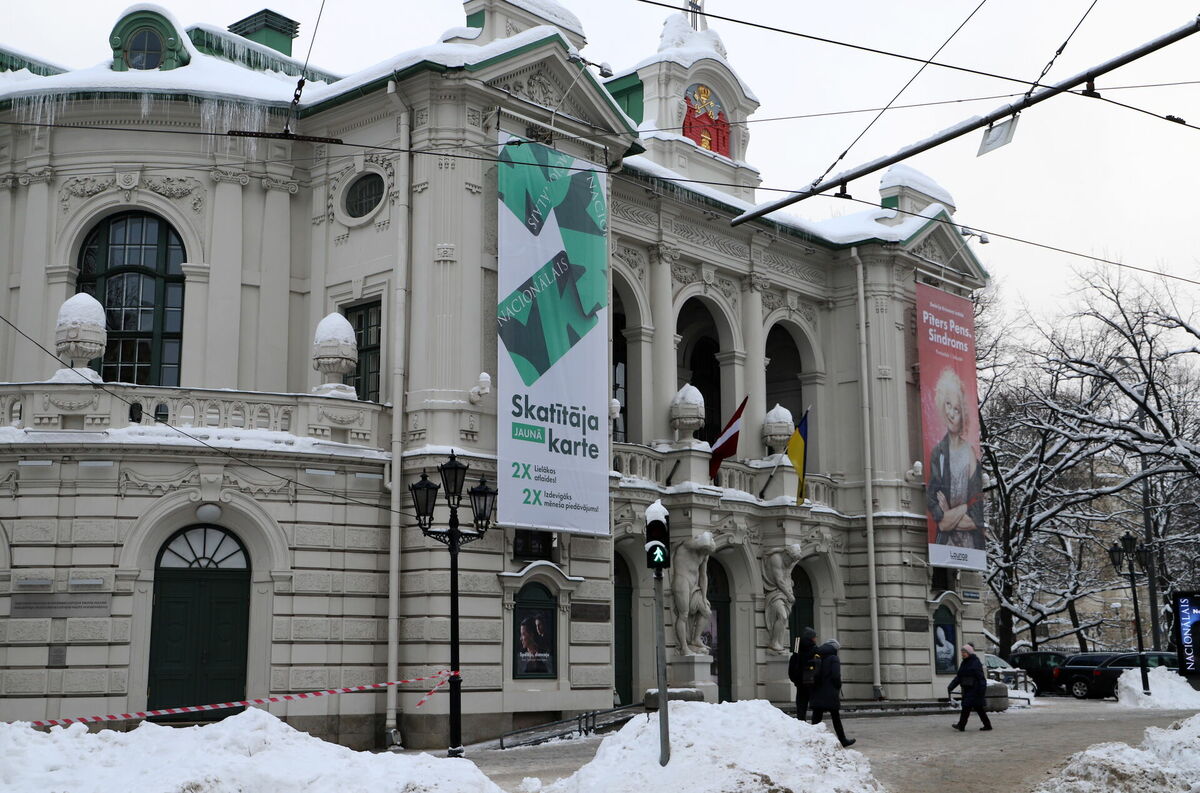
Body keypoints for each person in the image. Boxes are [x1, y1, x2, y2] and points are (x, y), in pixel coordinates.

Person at [927, 368, 985, 550]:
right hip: (944, 544)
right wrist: (963, 509)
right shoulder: (938, 453)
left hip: (970, 545)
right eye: (948, 405)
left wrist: (951, 514)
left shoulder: (970, 453)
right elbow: (940, 521)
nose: (951, 413)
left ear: (964, 415)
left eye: (957, 409)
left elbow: (976, 517)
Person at [810, 638, 855, 747]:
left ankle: (812, 739)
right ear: (835, 648)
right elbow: (836, 676)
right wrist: (838, 686)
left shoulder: (818, 655)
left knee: (816, 716)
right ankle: (842, 739)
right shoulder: (834, 658)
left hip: (818, 690)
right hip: (830, 691)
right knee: (835, 717)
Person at [948, 643, 992, 732]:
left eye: (964, 652)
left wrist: (982, 690)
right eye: (962, 652)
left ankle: (961, 725)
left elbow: (981, 677)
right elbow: (959, 677)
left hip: (975, 689)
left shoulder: (975, 662)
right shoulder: (964, 663)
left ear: (969, 652)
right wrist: (951, 686)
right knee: (978, 708)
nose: (962, 654)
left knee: (966, 707)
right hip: (968, 689)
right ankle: (987, 725)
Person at [788, 627, 819, 722]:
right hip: (811, 681)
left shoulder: (797, 649)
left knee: (801, 706)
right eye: (814, 637)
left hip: (800, 682)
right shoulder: (815, 649)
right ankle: (815, 725)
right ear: (811, 638)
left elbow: (792, 666)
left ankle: (801, 724)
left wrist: (795, 680)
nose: (816, 639)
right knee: (816, 706)